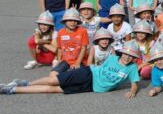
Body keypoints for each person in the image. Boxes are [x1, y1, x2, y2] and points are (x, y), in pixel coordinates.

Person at [1, 41, 141, 97]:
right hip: (88, 73)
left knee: (53, 90)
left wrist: (132, 92)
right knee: (53, 81)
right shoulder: (111, 58)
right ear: (122, 53)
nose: (127, 57)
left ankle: (12, 90)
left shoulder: (132, 68)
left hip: (92, 87)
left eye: (131, 56)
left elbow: (135, 84)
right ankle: (25, 83)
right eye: (126, 54)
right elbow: (98, 67)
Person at [51, 8, 89, 74]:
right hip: (66, 61)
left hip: (80, 61)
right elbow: (60, 48)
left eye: (75, 21)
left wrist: (77, 63)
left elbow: (84, 48)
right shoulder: (60, 32)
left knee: (71, 77)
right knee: (52, 74)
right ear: (65, 21)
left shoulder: (83, 31)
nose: (72, 23)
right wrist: (59, 60)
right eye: (70, 20)